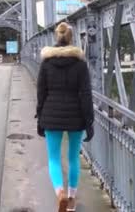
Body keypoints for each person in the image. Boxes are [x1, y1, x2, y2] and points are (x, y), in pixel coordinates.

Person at [36, 22, 94, 212]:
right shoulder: (80, 64)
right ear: (71, 38)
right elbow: (86, 94)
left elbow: (41, 93)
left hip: (51, 115)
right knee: (73, 158)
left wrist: (40, 116)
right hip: (76, 116)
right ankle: (70, 199)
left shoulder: (46, 64)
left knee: (53, 158)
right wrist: (89, 121)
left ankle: (59, 192)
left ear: (56, 37)